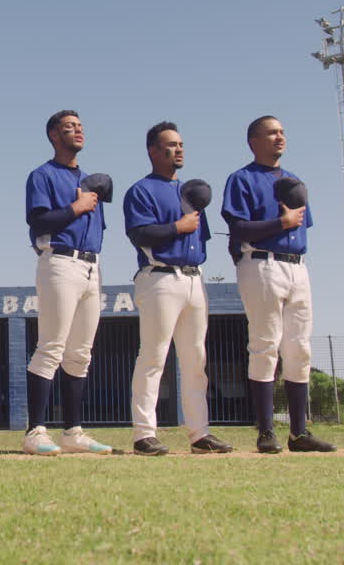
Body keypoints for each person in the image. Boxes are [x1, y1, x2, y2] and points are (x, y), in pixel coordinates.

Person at [222, 115, 335, 454]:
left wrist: (289, 222)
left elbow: (303, 227)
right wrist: (280, 222)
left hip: (297, 266)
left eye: (282, 132)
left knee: (299, 347)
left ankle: (299, 432)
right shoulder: (242, 179)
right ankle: (266, 431)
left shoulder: (295, 181)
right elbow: (238, 227)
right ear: (253, 140)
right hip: (261, 262)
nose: (279, 137)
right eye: (271, 133)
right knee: (265, 344)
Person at [122, 121, 232, 456]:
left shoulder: (191, 193)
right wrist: (176, 227)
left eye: (181, 144)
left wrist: (187, 227)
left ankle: (200, 433)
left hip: (193, 278)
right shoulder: (141, 190)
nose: (179, 149)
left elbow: (202, 239)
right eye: (171, 144)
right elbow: (139, 234)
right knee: (154, 356)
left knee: (195, 359)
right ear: (153, 151)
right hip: (160, 277)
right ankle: (144, 434)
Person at [22, 110, 114, 456]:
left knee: (80, 354)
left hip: (92, 266)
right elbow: (38, 221)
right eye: (68, 127)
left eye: (80, 126)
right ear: (53, 136)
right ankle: (35, 431)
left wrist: (84, 204)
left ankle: (73, 431)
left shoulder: (90, 180)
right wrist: (76, 207)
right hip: (59, 260)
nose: (77, 131)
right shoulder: (42, 175)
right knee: (51, 346)